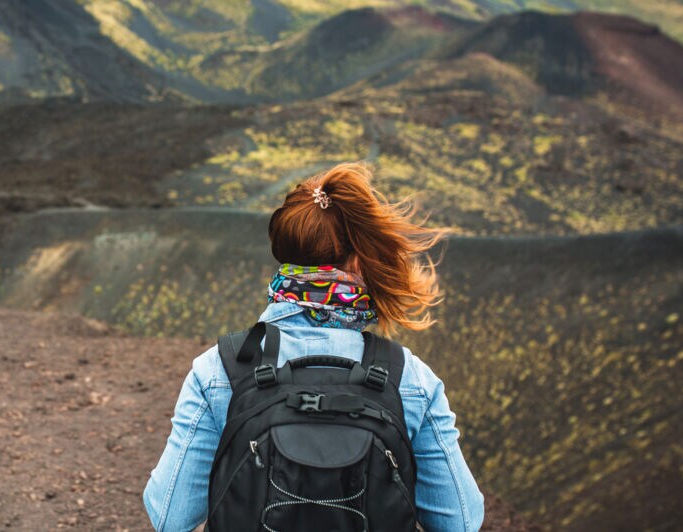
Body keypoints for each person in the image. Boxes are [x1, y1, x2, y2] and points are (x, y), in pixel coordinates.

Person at [142, 162, 485, 531]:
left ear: (284, 253)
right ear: (358, 260)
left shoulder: (220, 369)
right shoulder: (409, 378)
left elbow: (170, 516)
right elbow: (460, 521)